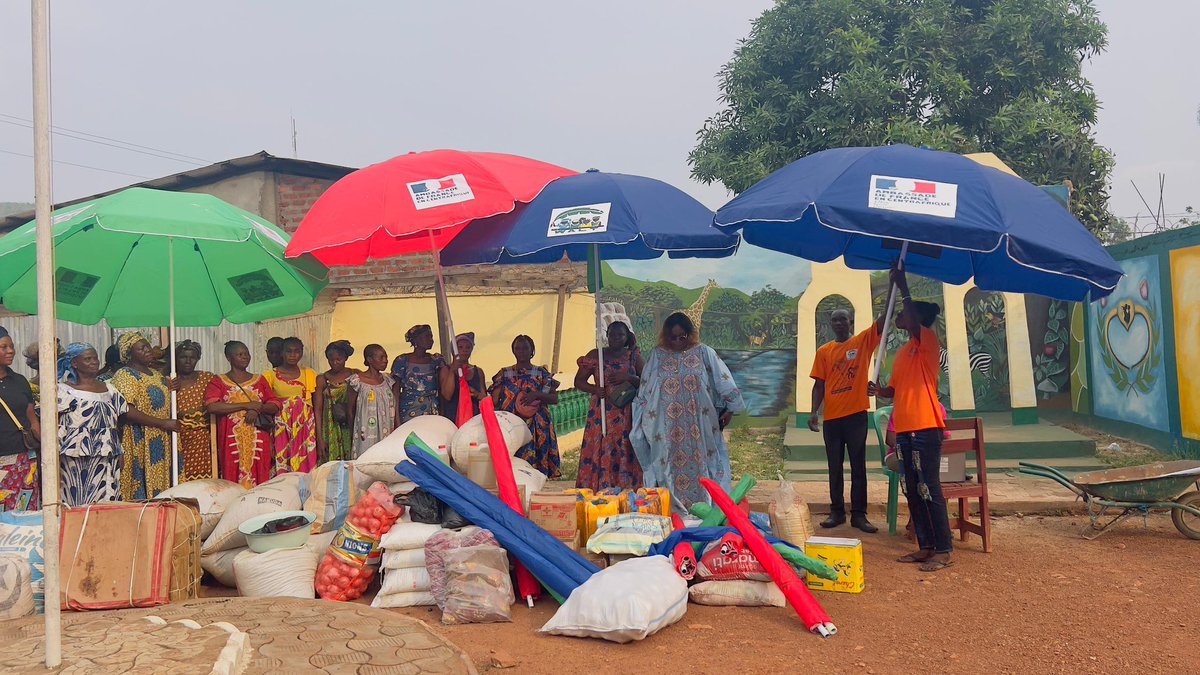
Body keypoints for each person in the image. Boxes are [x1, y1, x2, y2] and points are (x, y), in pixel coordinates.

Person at [869, 264, 953, 572]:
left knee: (929, 486)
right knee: (912, 488)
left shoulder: (927, 341)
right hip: (903, 428)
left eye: (904, 313)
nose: (899, 317)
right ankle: (925, 546)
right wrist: (878, 389)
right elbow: (892, 391)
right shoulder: (902, 352)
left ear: (916, 319)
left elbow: (915, 322)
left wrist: (902, 286)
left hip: (925, 427)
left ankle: (943, 549)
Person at [631, 313, 746, 510]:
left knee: (705, 462)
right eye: (672, 338)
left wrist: (730, 410)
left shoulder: (703, 353)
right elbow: (645, 389)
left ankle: (708, 508)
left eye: (681, 337)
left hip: (700, 424)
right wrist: (640, 420)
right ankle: (673, 508)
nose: (677, 342)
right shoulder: (657, 356)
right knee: (668, 464)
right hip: (668, 428)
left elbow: (724, 381)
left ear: (689, 334)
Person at [808, 308, 883, 533]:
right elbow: (819, 384)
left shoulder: (862, 342)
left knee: (858, 467)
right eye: (834, 320)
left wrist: (894, 287)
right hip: (832, 419)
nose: (838, 323)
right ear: (831, 324)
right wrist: (814, 412)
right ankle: (837, 512)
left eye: (842, 319)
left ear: (850, 321)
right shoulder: (824, 351)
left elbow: (880, 324)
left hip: (856, 416)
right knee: (835, 467)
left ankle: (859, 515)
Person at [56, 342, 136, 507]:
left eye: (95, 358)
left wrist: (119, 450)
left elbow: (118, 421)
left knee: (106, 498)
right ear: (74, 363)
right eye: (88, 359)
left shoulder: (109, 389)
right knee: (76, 498)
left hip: (107, 453)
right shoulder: (63, 391)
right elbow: (53, 424)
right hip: (75, 456)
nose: (94, 362)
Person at [110, 332, 180, 500]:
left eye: (147, 346)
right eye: (141, 348)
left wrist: (172, 388)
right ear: (129, 354)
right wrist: (162, 423)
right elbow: (125, 409)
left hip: (161, 437)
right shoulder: (125, 375)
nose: (148, 350)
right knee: (141, 484)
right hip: (139, 437)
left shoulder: (156, 374)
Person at [574, 321, 643, 490]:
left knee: (624, 447)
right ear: (607, 336)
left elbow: (646, 381)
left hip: (626, 413)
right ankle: (599, 485)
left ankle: (625, 487)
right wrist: (595, 389)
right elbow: (579, 381)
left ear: (627, 337)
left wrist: (627, 378)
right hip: (601, 412)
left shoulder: (633, 356)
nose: (615, 338)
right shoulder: (596, 356)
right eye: (612, 334)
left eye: (620, 335)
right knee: (602, 445)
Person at [205, 341, 279, 488]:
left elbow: (275, 404)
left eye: (246, 353)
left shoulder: (260, 380)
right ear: (229, 358)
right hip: (231, 441)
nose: (245, 357)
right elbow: (212, 406)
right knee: (232, 475)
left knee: (261, 474)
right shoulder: (218, 381)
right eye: (240, 354)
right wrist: (246, 405)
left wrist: (258, 408)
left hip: (258, 438)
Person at [492, 335, 560, 478]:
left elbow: (554, 398)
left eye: (525, 348)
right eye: (518, 348)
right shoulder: (504, 374)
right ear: (513, 351)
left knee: (538, 467)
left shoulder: (541, 373)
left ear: (532, 351)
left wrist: (536, 395)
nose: (521, 351)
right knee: (514, 464)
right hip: (513, 426)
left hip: (538, 426)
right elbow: (495, 400)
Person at [262, 336, 318, 474]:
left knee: (304, 464)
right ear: (282, 352)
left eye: (297, 351)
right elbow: (265, 405)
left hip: (305, 427)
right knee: (282, 464)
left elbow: (315, 405)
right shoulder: (269, 376)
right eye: (289, 351)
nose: (293, 355)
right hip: (280, 428)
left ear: (301, 352)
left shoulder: (309, 373)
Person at [0, 325, 40, 512]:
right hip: (1, 459)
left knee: (25, 510)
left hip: (24, 460)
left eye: (11, 346)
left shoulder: (20, 381)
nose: (10, 351)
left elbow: (32, 419)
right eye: (4, 347)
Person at [173, 340, 216, 482]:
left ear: (198, 358)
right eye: (183, 357)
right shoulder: (171, 382)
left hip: (205, 441)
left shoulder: (208, 378)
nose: (188, 361)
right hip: (181, 441)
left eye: (192, 357)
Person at [347, 344, 398, 458]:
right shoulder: (357, 381)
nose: (385, 361)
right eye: (381, 358)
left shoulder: (389, 381)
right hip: (365, 434)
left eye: (386, 357)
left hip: (387, 433)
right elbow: (350, 410)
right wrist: (354, 434)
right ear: (369, 359)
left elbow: (395, 407)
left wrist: (397, 428)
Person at [391, 324, 447, 420]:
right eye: (427, 337)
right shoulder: (402, 361)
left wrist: (442, 413)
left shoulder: (436, 360)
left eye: (432, 337)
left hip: (432, 411)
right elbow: (395, 393)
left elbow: (442, 390)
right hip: (408, 412)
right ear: (416, 340)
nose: (431, 340)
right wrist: (396, 420)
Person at [315, 340, 356, 463]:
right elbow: (318, 409)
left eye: (339, 359)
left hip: (351, 426)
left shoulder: (355, 375)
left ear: (346, 358)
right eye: (331, 360)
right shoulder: (322, 379)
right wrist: (320, 438)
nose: (335, 363)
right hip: (331, 428)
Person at [439, 332, 486, 422]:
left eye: (468, 347)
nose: (464, 350)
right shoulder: (446, 370)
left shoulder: (478, 371)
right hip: (453, 418)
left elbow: (484, 398)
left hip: (474, 418)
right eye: (460, 347)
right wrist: (453, 370)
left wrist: (476, 394)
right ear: (454, 350)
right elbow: (447, 395)